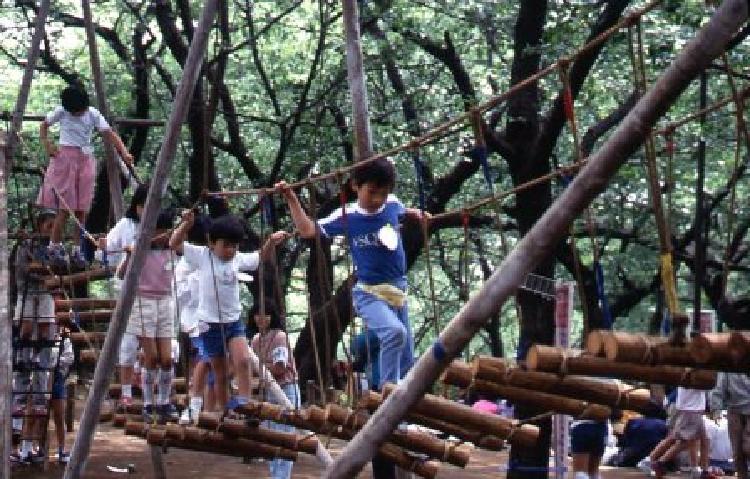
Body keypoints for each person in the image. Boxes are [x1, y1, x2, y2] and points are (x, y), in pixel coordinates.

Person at [276, 158, 428, 390]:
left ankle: (398, 403)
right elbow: (307, 230)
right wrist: (291, 197)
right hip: (368, 293)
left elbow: (401, 212)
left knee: (406, 356)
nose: (378, 200)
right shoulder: (346, 217)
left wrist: (415, 213)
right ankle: (390, 393)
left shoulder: (392, 204)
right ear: (355, 186)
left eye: (384, 194)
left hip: (398, 290)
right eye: (372, 192)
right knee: (394, 333)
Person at [169, 210, 289, 411]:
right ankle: (226, 411)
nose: (231, 250)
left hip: (233, 322)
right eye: (226, 245)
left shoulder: (237, 259)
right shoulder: (202, 256)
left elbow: (260, 257)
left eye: (234, 245)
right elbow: (174, 243)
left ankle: (246, 404)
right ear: (211, 243)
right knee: (220, 372)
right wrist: (186, 224)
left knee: (243, 361)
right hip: (209, 324)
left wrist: (270, 241)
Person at [38, 85, 133, 263]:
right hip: (66, 159)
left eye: (80, 110)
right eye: (74, 111)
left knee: (82, 209)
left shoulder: (93, 114)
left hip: (85, 160)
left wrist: (124, 152)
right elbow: (43, 126)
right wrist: (47, 145)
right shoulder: (62, 112)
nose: (77, 113)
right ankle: (54, 248)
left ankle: (76, 250)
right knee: (65, 209)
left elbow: (110, 134)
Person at [118, 209, 177, 424]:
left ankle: (164, 402)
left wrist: (187, 221)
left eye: (166, 231)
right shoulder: (139, 248)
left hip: (165, 302)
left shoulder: (172, 248)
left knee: (167, 359)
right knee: (151, 357)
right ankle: (148, 403)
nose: (164, 235)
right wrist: (129, 256)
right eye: (160, 231)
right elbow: (121, 274)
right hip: (143, 302)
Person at [99, 183, 149, 410]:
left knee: (153, 343)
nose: (146, 211)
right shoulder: (126, 226)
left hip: (154, 292)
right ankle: (126, 392)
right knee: (128, 342)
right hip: (128, 291)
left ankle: (147, 387)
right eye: (143, 206)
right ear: (136, 206)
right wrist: (103, 248)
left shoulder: (162, 229)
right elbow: (105, 255)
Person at [249, 302, 299, 479]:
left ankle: (281, 477)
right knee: (269, 436)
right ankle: (274, 476)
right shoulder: (255, 340)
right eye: (257, 314)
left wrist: (260, 368)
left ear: (272, 316)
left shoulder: (279, 337)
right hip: (268, 391)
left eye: (266, 314)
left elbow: (280, 368)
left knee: (285, 436)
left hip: (285, 389)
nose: (261, 318)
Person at [641, 387, 709, 479]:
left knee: (702, 439)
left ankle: (700, 470)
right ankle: (657, 462)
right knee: (681, 440)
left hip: (691, 407)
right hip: (689, 408)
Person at [710, 372, 750, 479]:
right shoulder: (730, 363)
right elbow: (719, 386)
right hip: (734, 410)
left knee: (748, 447)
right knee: (737, 453)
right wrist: (716, 409)